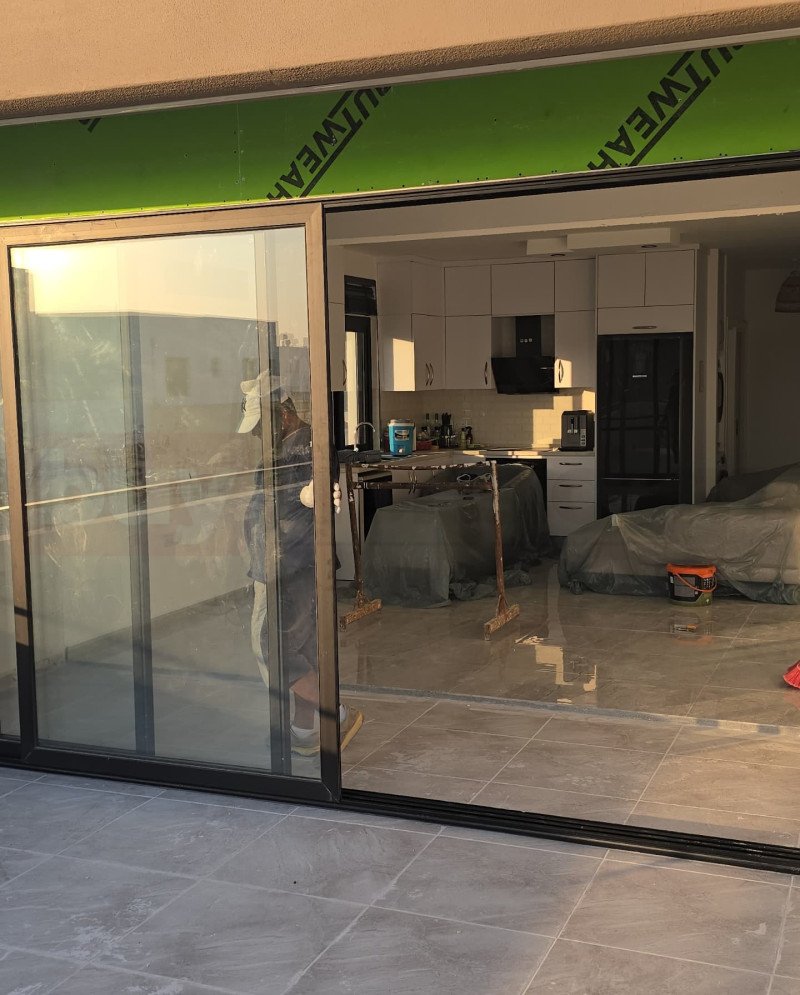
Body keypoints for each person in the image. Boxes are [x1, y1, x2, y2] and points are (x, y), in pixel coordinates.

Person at [238, 374, 363, 756]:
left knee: (271, 646)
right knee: (301, 648)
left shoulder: (305, 447)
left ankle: (336, 715)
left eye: (261, 427)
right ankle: (305, 728)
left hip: (290, 565)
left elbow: (315, 495)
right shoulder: (289, 446)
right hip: (285, 562)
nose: (259, 435)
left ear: (283, 414)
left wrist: (313, 495)